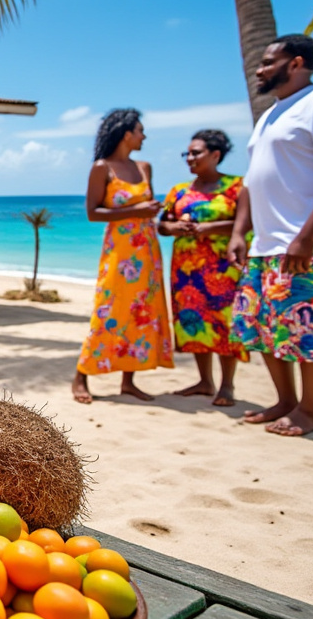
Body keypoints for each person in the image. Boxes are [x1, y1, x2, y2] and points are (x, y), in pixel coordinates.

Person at [229, 34, 313, 437]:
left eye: (268, 61)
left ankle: (309, 410)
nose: (259, 68)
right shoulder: (270, 115)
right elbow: (253, 183)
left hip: (308, 244)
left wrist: (307, 236)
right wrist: (240, 231)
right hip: (265, 245)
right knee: (264, 327)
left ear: (296, 63)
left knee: (305, 328)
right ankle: (285, 401)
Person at [73, 108, 173, 404]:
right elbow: (93, 213)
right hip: (119, 252)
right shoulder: (102, 167)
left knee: (141, 313)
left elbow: (146, 206)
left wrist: (155, 211)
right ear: (126, 134)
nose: (144, 136)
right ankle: (81, 374)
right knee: (109, 310)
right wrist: (135, 211)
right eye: (141, 130)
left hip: (147, 250)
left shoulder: (145, 167)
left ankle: (128, 380)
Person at [159, 129, 248, 407]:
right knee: (193, 322)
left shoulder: (238, 187)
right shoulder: (179, 191)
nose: (190, 158)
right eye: (187, 153)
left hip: (224, 268)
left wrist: (207, 228)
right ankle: (204, 381)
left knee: (224, 324)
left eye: (195, 153)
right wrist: (177, 227)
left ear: (215, 155)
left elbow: (246, 223)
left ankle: (227, 385)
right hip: (187, 271)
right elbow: (162, 225)